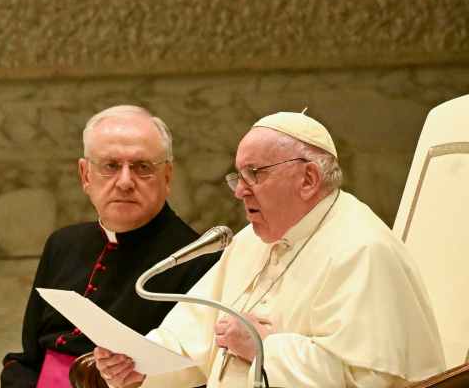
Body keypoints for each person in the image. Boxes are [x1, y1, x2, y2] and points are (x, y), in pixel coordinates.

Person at [94, 111, 445, 388]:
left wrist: (263, 347)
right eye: (238, 176)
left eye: (254, 174)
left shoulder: (363, 250)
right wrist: (139, 364)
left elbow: (368, 379)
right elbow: (191, 337)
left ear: (308, 180)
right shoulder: (250, 241)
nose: (239, 191)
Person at [2, 106, 218, 388]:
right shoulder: (62, 244)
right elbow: (32, 355)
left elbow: (197, 376)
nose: (125, 182)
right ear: (85, 175)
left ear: (167, 177)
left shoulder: (200, 259)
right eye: (110, 166)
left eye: (143, 167)